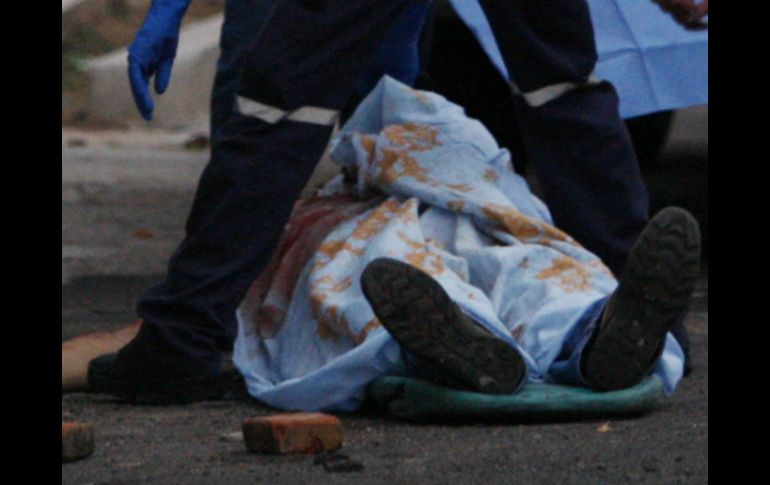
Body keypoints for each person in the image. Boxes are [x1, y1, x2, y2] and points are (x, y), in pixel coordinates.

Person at [89, 0, 707, 403]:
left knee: (278, 111)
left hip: (399, 186)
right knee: (562, 91)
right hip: (438, 179)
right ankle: (615, 326)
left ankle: (183, 333)